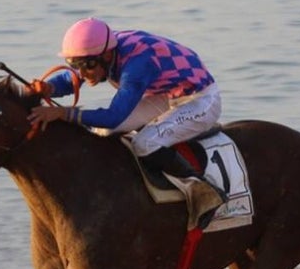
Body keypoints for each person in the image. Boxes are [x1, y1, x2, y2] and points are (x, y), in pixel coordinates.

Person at [26, 17, 227, 222]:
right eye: (76, 65)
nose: (83, 73)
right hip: (165, 95)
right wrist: (48, 88)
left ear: (106, 55)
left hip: (201, 99)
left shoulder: (137, 65)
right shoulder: (103, 52)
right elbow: (72, 79)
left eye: (87, 65)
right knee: (102, 132)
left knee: (144, 143)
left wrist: (64, 114)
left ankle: (205, 191)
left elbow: (114, 116)